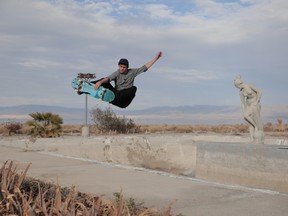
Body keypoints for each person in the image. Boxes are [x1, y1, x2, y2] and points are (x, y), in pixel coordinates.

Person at [92, 51, 162, 108]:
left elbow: (144, 68)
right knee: (103, 80)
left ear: (127, 68)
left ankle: (112, 96)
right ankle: (85, 86)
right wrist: (100, 82)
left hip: (124, 101)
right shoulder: (117, 73)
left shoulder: (132, 72)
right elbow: (108, 79)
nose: (122, 69)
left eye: (124, 67)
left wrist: (156, 58)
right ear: (118, 66)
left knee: (134, 88)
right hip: (115, 97)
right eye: (120, 66)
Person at [234, 75, 264, 144]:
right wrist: (244, 110)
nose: (238, 88)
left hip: (255, 105)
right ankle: (251, 139)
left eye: (237, 86)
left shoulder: (250, 86)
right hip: (248, 106)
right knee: (247, 119)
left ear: (240, 84)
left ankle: (258, 133)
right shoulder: (241, 92)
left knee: (256, 120)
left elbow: (260, 91)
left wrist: (257, 101)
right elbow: (242, 102)